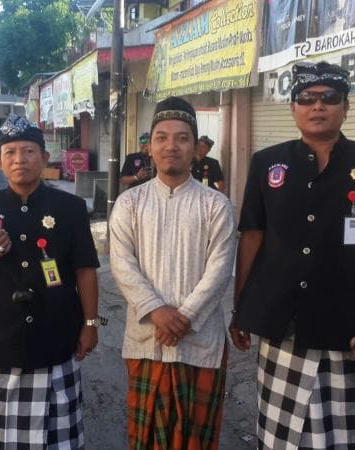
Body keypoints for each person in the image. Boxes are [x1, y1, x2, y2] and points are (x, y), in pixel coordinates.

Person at [229, 61, 355, 449]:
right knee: (279, 432)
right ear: (293, 107)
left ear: (345, 106)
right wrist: (240, 306)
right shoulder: (267, 163)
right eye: (306, 98)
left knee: (345, 433)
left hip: (347, 326)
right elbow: (252, 237)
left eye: (329, 98)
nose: (317, 106)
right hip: (281, 322)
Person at [0, 114, 100, 449]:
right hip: (4, 344)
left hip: (58, 339)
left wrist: (91, 324)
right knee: (8, 440)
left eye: (29, 151)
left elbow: (85, 270)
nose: (20, 159)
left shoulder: (71, 208)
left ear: (45, 158)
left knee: (61, 438)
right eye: (11, 153)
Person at [109, 97, 236, 449]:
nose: (171, 146)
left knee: (196, 437)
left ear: (196, 148)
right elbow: (121, 264)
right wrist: (157, 310)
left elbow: (220, 268)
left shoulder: (216, 205)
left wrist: (185, 316)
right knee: (146, 437)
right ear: (149, 147)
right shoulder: (130, 203)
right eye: (162, 137)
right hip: (147, 338)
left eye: (182, 138)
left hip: (199, 340)